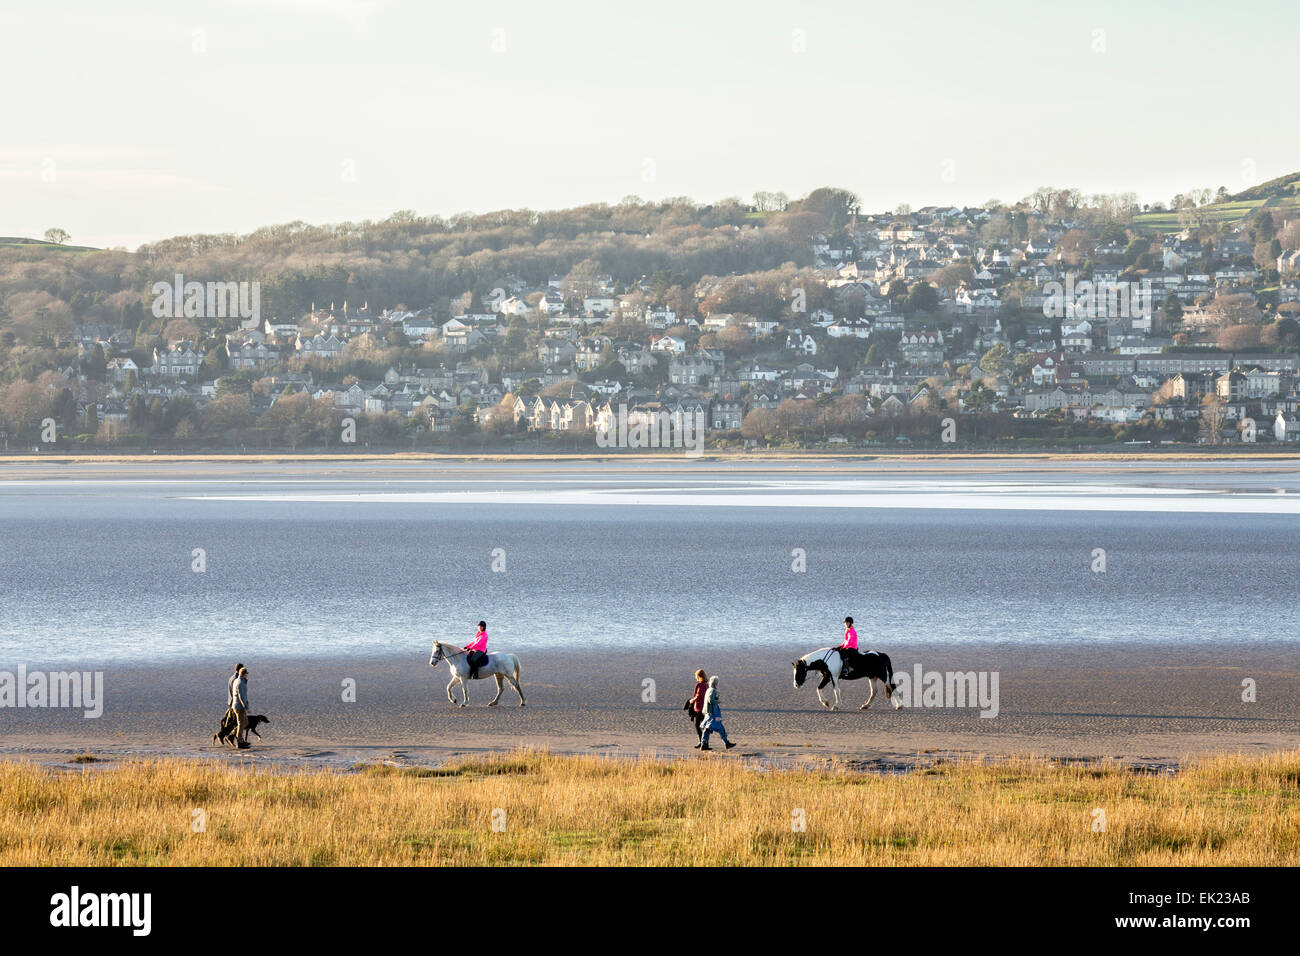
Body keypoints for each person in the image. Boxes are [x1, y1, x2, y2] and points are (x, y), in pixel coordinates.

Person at [697, 675, 735, 751]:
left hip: (708, 712)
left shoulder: (708, 690)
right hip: (713, 712)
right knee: (720, 728)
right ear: (715, 683)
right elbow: (711, 700)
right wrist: (717, 701)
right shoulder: (713, 690)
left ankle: (704, 744)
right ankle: (726, 743)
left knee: (707, 729)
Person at [684, 669, 708, 742]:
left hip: (699, 708)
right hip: (705, 707)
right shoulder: (706, 684)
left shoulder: (700, 685)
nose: (695, 678)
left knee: (697, 726)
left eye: (696, 676)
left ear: (698, 676)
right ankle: (704, 741)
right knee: (703, 725)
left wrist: (691, 700)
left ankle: (702, 742)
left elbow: (698, 696)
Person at [230, 666, 250, 748]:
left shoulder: (237, 680)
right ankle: (240, 742)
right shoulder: (240, 683)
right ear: (245, 674)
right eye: (247, 673)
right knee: (241, 723)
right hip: (239, 706)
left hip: (236, 705)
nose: (247, 675)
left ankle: (232, 735)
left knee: (245, 723)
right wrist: (246, 707)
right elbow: (242, 696)